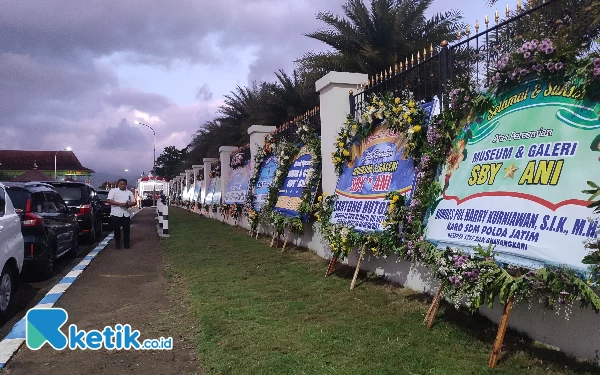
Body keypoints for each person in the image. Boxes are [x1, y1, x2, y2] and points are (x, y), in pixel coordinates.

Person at [106, 178, 135, 249]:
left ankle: (126, 244)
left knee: (126, 230)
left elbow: (134, 202)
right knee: (116, 230)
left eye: (124, 184)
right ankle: (118, 243)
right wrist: (119, 204)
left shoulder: (129, 192)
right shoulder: (113, 191)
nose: (122, 185)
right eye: (121, 184)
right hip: (115, 213)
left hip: (126, 214)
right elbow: (109, 200)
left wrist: (129, 204)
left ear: (126, 185)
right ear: (118, 184)